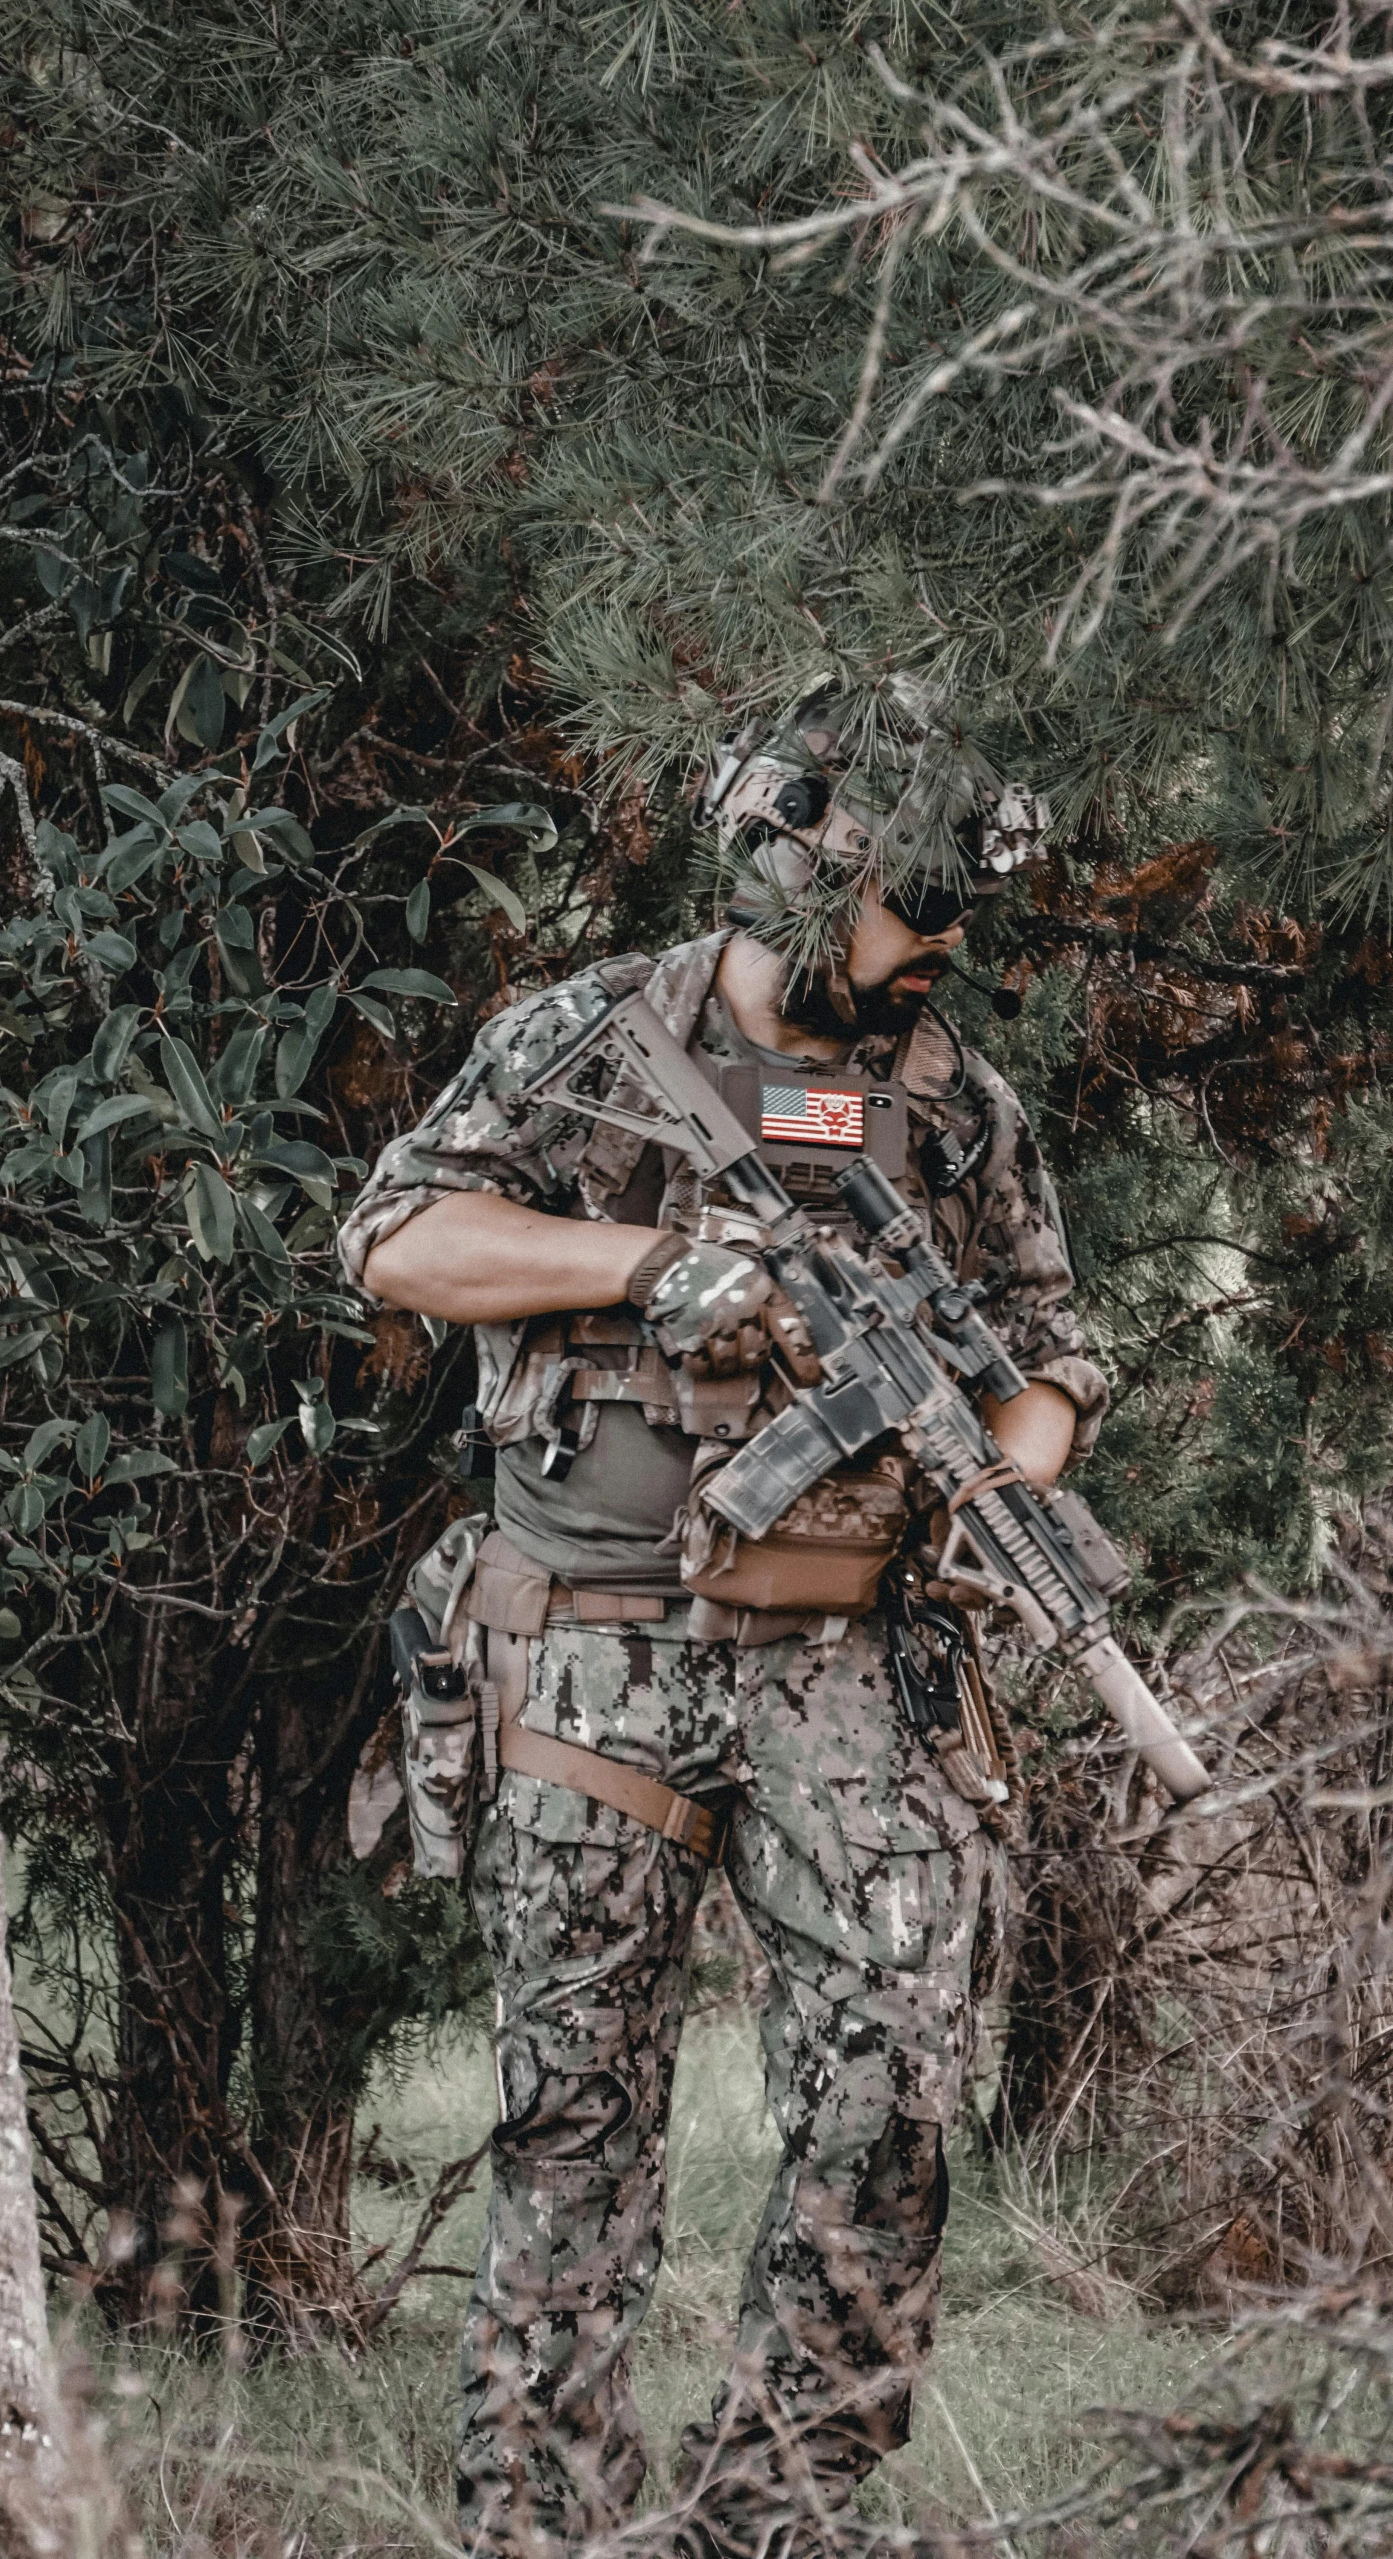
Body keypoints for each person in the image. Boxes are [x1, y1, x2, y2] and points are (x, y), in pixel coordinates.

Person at [338, 685, 1110, 2559]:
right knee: (571, 2118)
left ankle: (766, 2514)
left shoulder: (958, 1106)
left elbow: (1054, 1344)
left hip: (849, 1666)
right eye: (908, 902)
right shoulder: (587, 1035)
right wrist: (646, 1262)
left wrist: (1005, 1471)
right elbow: (395, 1238)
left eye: (954, 912)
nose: (938, 946)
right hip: (587, 1646)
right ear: (794, 873)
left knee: (891, 2098)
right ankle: (539, 2523)